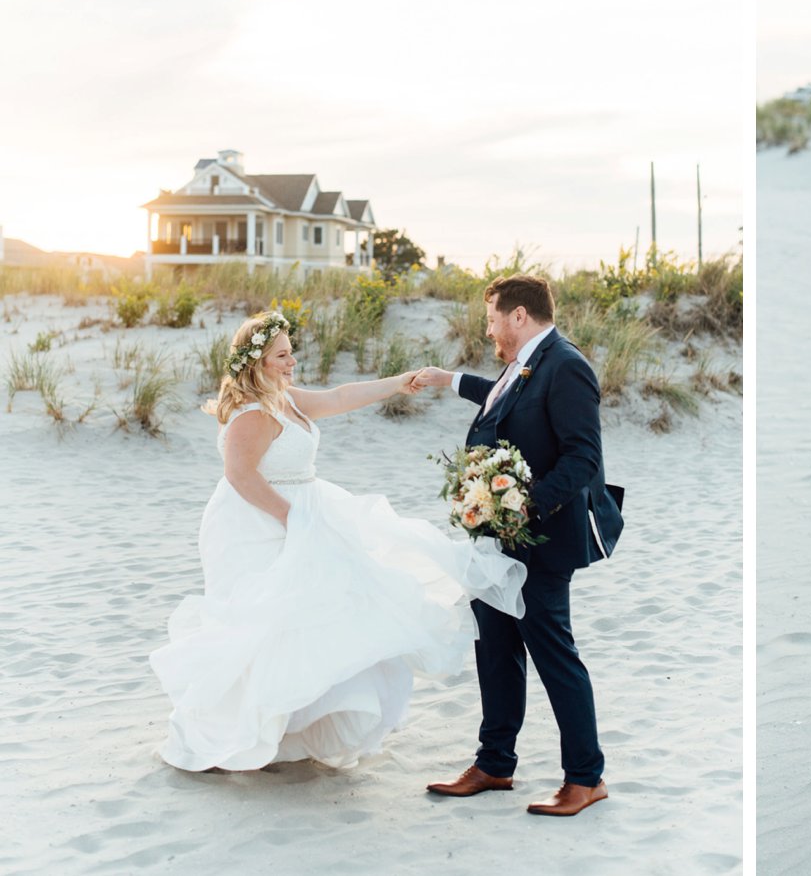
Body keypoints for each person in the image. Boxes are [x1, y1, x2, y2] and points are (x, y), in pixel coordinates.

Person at [150, 310, 526, 772]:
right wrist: (294, 520)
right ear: (258, 362)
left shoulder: (285, 398)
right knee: (268, 624)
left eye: (292, 352)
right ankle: (242, 726)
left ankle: (297, 729)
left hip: (306, 509)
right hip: (259, 523)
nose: (292, 361)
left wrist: (399, 381)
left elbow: (342, 395)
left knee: (320, 615)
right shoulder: (252, 413)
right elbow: (239, 475)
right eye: (282, 354)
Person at [418, 274, 623, 816]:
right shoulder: (526, 363)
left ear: (518, 316)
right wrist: (451, 379)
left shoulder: (568, 365)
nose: (488, 330)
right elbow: (508, 403)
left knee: (554, 655)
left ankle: (585, 778)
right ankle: (494, 764)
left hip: (541, 541)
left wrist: (520, 508)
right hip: (497, 541)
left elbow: (582, 459)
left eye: (491, 320)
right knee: (496, 648)